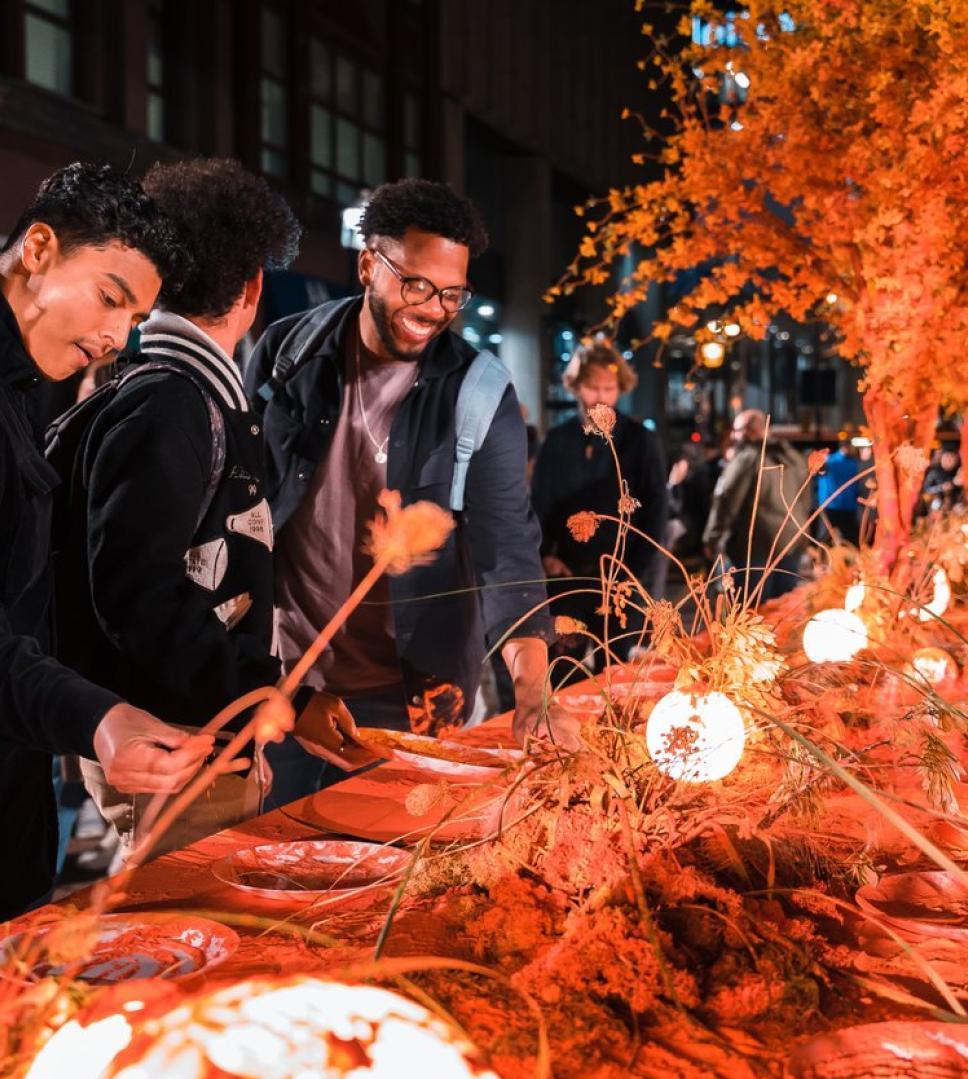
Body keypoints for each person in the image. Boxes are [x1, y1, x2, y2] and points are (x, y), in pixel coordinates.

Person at [50, 158, 353, 856]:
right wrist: (271, 695)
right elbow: (138, 596)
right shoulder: (174, 403)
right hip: (174, 748)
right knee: (188, 944)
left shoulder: (180, 394)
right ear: (252, 288)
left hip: (200, 736)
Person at [246, 178, 572, 808]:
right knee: (280, 868)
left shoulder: (480, 393)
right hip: (290, 680)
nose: (433, 309)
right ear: (369, 264)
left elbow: (507, 547)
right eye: (416, 284)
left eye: (452, 294)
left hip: (414, 694)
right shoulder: (289, 352)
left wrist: (533, 693)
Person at [0, 162, 218, 919]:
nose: (112, 338)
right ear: (38, 249)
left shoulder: (29, 383)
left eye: (132, 320)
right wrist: (97, 716)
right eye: (109, 299)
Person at [531, 337, 667, 672]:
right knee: (561, 668)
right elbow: (539, 503)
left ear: (620, 388)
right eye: (592, 387)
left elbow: (655, 511)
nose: (601, 396)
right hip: (565, 576)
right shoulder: (559, 439)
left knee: (616, 670)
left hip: (620, 579)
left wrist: (634, 571)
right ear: (576, 387)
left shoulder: (639, 440)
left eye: (609, 388)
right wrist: (545, 553)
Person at [703, 408, 809, 601]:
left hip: (754, 546)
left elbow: (726, 500)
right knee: (783, 610)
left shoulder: (747, 459)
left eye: (737, 430)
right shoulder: (793, 457)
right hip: (790, 542)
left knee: (753, 609)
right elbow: (805, 499)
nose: (734, 436)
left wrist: (713, 537)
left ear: (750, 431)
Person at [815, 440, 861, 545]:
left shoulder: (829, 461)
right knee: (849, 540)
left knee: (825, 539)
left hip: (831, 505)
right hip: (846, 506)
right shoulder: (852, 463)